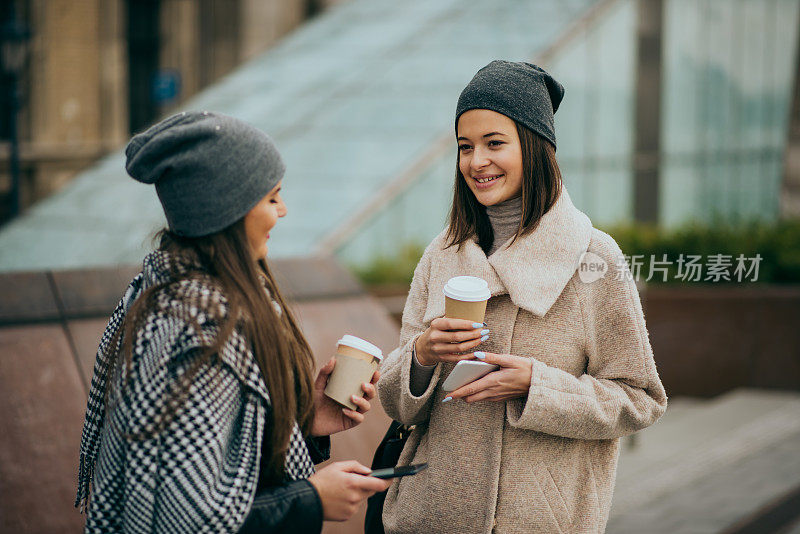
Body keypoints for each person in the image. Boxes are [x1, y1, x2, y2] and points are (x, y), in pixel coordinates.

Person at [377, 61, 668, 533]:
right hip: (426, 519)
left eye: (495, 143)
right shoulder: (441, 253)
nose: (476, 162)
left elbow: (640, 400)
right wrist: (422, 355)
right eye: (464, 147)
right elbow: (398, 405)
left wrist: (538, 385)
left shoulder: (593, 257)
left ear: (535, 148)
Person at [75, 111, 391, 533]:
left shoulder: (177, 297)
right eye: (271, 197)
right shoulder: (196, 330)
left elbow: (213, 462)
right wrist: (311, 500)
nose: (283, 210)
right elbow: (186, 519)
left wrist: (303, 425)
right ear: (225, 210)